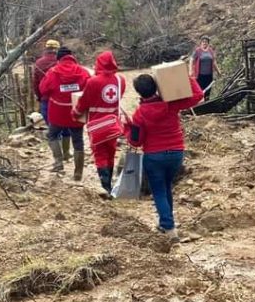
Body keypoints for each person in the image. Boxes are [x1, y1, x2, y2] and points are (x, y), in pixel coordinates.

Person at [128, 72, 204, 238]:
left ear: (138, 92)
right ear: (156, 86)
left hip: (154, 157)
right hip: (176, 153)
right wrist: (185, 77)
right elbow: (198, 95)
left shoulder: (139, 115)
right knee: (166, 186)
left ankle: (169, 228)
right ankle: (165, 222)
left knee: (159, 191)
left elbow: (135, 142)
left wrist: (128, 128)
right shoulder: (170, 105)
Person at [74, 50, 126, 195]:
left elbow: (83, 102)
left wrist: (76, 114)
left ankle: (105, 187)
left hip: (96, 124)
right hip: (113, 124)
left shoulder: (93, 82)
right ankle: (109, 183)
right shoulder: (120, 80)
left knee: (100, 155)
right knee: (111, 152)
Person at [38, 47, 91, 180]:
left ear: (58, 58)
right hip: (76, 112)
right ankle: (78, 172)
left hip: (57, 113)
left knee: (52, 135)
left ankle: (58, 163)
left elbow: (43, 89)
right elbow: (90, 89)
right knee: (78, 140)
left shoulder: (52, 72)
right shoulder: (83, 71)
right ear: (71, 56)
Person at [32, 39, 71, 158]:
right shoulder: (62, 62)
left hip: (46, 101)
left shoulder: (38, 63)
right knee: (66, 127)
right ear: (57, 49)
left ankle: (58, 159)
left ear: (46, 48)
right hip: (63, 100)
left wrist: (40, 97)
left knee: (53, 130)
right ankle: (66, 153)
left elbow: (35, 84)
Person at [190, 36, 220, 100]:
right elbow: (191, 60)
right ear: (201, 43)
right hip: (200, 75)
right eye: (203, 42)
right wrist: (191, 71)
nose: (204, 43)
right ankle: (199, 104)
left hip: (209, 75)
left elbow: (214, 61)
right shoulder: (198, 51)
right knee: (200, 91)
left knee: (208, 90)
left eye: (206, 42)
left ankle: (207, 102)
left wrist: (218, 71)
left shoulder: (210, 51)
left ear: (208, 43)